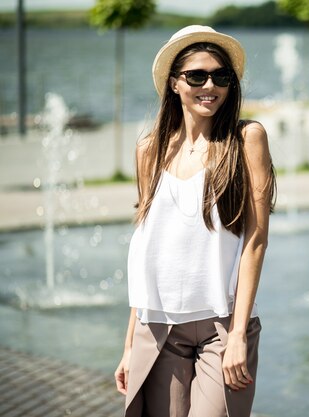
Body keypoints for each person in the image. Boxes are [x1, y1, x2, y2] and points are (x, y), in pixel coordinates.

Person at [113, 25, 276, 417]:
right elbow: (147, 248)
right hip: (158, 326)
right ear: (174, 83)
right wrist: (130, 344)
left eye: (221, 76)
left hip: (222, 323)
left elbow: (255, 241)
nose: (210, 85)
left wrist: (238, 333)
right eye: (197, 76)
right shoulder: (149, 150)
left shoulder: (246, 139)